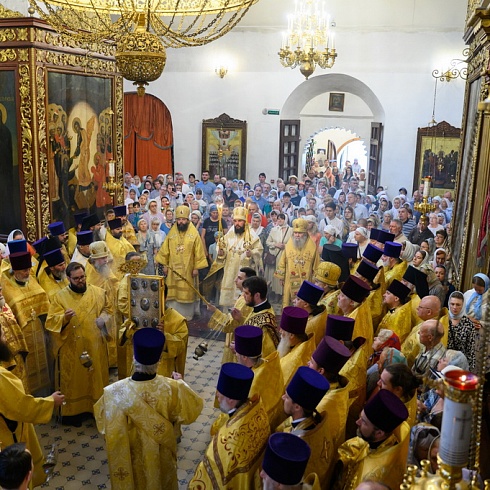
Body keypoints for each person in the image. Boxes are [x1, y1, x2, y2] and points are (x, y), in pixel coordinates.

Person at [94, 328, 202, 490]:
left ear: (133, 357)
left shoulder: (113, 392)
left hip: (131, 460)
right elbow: (191, 413)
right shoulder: (172, 388)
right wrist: (182, 384)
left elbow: (103, 426)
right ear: (159, 360)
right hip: (161, 457)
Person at [45, 262, 112, 425]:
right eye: (76, 279)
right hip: (71, 348)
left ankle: (96, 410)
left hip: (95, 345)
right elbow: (51, 321)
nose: (81, 280)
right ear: (68, 278)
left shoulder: (98, 293)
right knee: (75, 382)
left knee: (95, 378)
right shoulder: (60, 297)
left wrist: (103, 319)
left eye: (82, 277)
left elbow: (109, 310)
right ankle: (73, 413)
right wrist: (64, 319)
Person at [0, 324, 65, 488]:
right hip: (6, 438)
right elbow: (22, 407)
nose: (5, 339)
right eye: (2, 336)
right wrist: (51, 401)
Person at [189, 363, 270, 488]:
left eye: (219, 392)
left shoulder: (225, 442)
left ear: (231, 400)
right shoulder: (257, 410)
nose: (217, 396)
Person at [333, 390, 410, 490]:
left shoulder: (377, 475)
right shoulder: (375, 440)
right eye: (360, 417)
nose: (357, 422)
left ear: (379, 433)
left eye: (364, 422)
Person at [1, 251, 51, 394]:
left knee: (42, 362)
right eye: (24, 270)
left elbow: (43, 300)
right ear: (15, 270)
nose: (27, 273)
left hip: (39, 330)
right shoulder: (6, 288)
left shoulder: (32, 280)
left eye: (29, 269)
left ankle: (45, 395)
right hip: (23, 333)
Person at [277, 366, 331, 486]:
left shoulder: (296, 445)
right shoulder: (319, 424)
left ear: (297, 407)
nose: (283, 398)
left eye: (287, 396)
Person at [156, 205, 208, 320]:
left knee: (187, 291)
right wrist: (164, 265)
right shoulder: (172, 233)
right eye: (179, 219)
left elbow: (199, 251)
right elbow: (165, 249)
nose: (181, 222)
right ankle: (174, 313)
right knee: (173, 295)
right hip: (173, 269)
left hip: (188, 269)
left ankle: (187, 314)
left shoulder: (194, 233)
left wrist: (196, 268)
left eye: (183, 219)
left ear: (188, 220)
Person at [215, 206, 264, 307]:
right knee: (228, 302)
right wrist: (221, 252)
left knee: (242, 299)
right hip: (230, 271)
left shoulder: (252, 235)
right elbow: (222, 247)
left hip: (244, 271)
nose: (237, 223)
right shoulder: (230, 234)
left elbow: (259, 250)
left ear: (245, 221)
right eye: (235, 221)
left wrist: (252, 254)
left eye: (240, 221)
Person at [275, 218, 319, 308]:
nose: (297, 235)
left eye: (300, 233)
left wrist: (316, 281)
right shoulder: (289, 245)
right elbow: (282, 261)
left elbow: (316, 265)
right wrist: (281, 277)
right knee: (288, 303)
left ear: (305, 234)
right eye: (295, 233)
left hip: (306, 280)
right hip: (289, 279)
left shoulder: (312, 247)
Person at [278, 306, 315, 387]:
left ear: (291, 335)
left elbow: (280, 387)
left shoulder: (294, 361)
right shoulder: (301, 344)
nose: (280, 331)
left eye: (282, 330)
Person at [447, 291, 477, 373]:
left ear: (463, 305)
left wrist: (469, 370)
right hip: (444, 362)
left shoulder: (468, 324)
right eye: (452, 304)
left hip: (460, 365)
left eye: (458, 304)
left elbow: (470, 349)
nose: (454, 307)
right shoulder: (444, 320)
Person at [293, 280, 327, 346]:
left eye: (297, 299)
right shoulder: (317, 314)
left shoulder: (308, 326)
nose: (293, 301)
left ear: (305, 304)